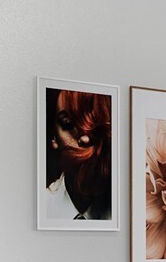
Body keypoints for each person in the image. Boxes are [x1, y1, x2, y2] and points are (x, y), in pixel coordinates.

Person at [44, 88, 116, 221]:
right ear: (53, 137)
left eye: (96, 124)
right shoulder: (41, 208)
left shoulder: (130, 208)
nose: (85, 139)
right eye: (68, 124)